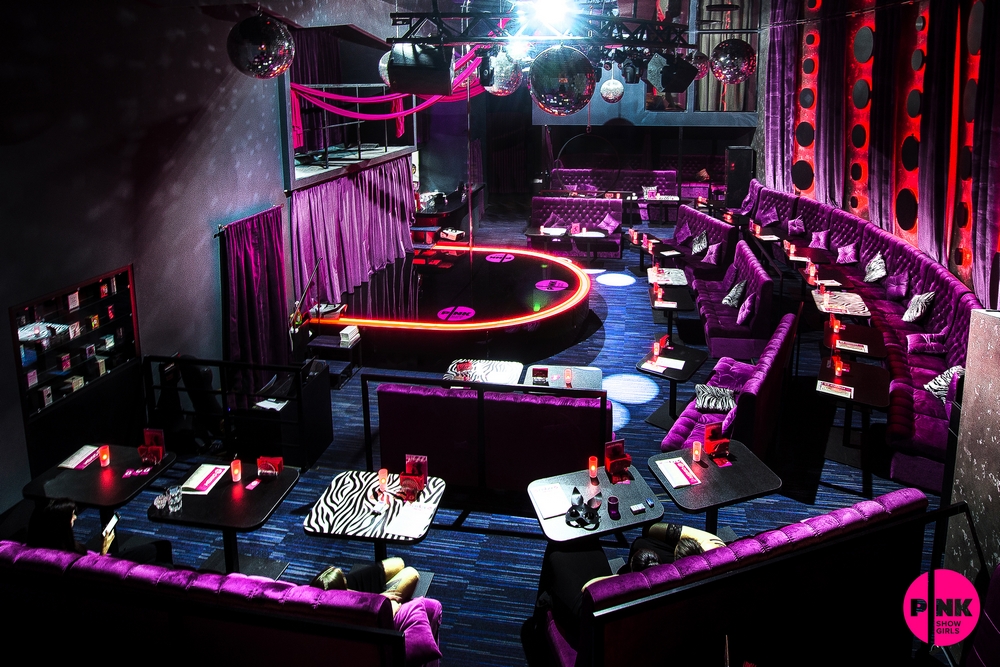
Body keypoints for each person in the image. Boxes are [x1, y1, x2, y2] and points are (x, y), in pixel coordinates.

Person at [537, 522, 724, 633]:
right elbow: (651, 529)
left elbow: (590, 589)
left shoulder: (650, 587)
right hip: (619, 601)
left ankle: (542, 617)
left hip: (598, 616)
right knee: (582, 536)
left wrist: (619, 578)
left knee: (559, 546)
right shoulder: (718, 560)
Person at [26, 498, 173, 565]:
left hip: (98, 559)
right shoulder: (66, 558)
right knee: (162, 551)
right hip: (105, 564)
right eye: (71, 516)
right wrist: (103, 550)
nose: (75, 518)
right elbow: (95, 573)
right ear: (59, 525)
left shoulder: (51, 545)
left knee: (162, 547)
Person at [311, 557, 420, 617]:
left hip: (354, 595)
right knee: (411, 573)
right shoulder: (348, 613)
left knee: (398, 563)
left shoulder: (309, 597)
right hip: (366, 608)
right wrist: (380, 599)